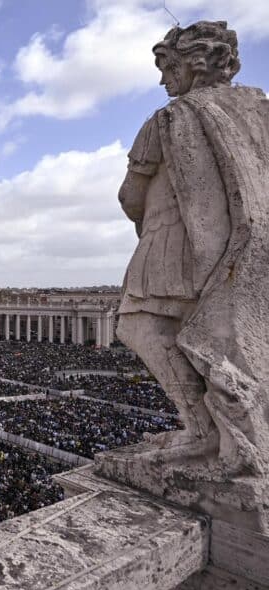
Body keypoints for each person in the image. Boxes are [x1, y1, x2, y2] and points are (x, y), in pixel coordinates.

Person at [116, 20, 269, 474]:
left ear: (192, 64)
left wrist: (146, 219)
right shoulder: (257, 111)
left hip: (174, 244)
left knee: (139, 324)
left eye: (168, 68)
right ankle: (233, 434)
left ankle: (205, 431)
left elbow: (130, 197)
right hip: (240, 251)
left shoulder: (169, 118)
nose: (164, 80)